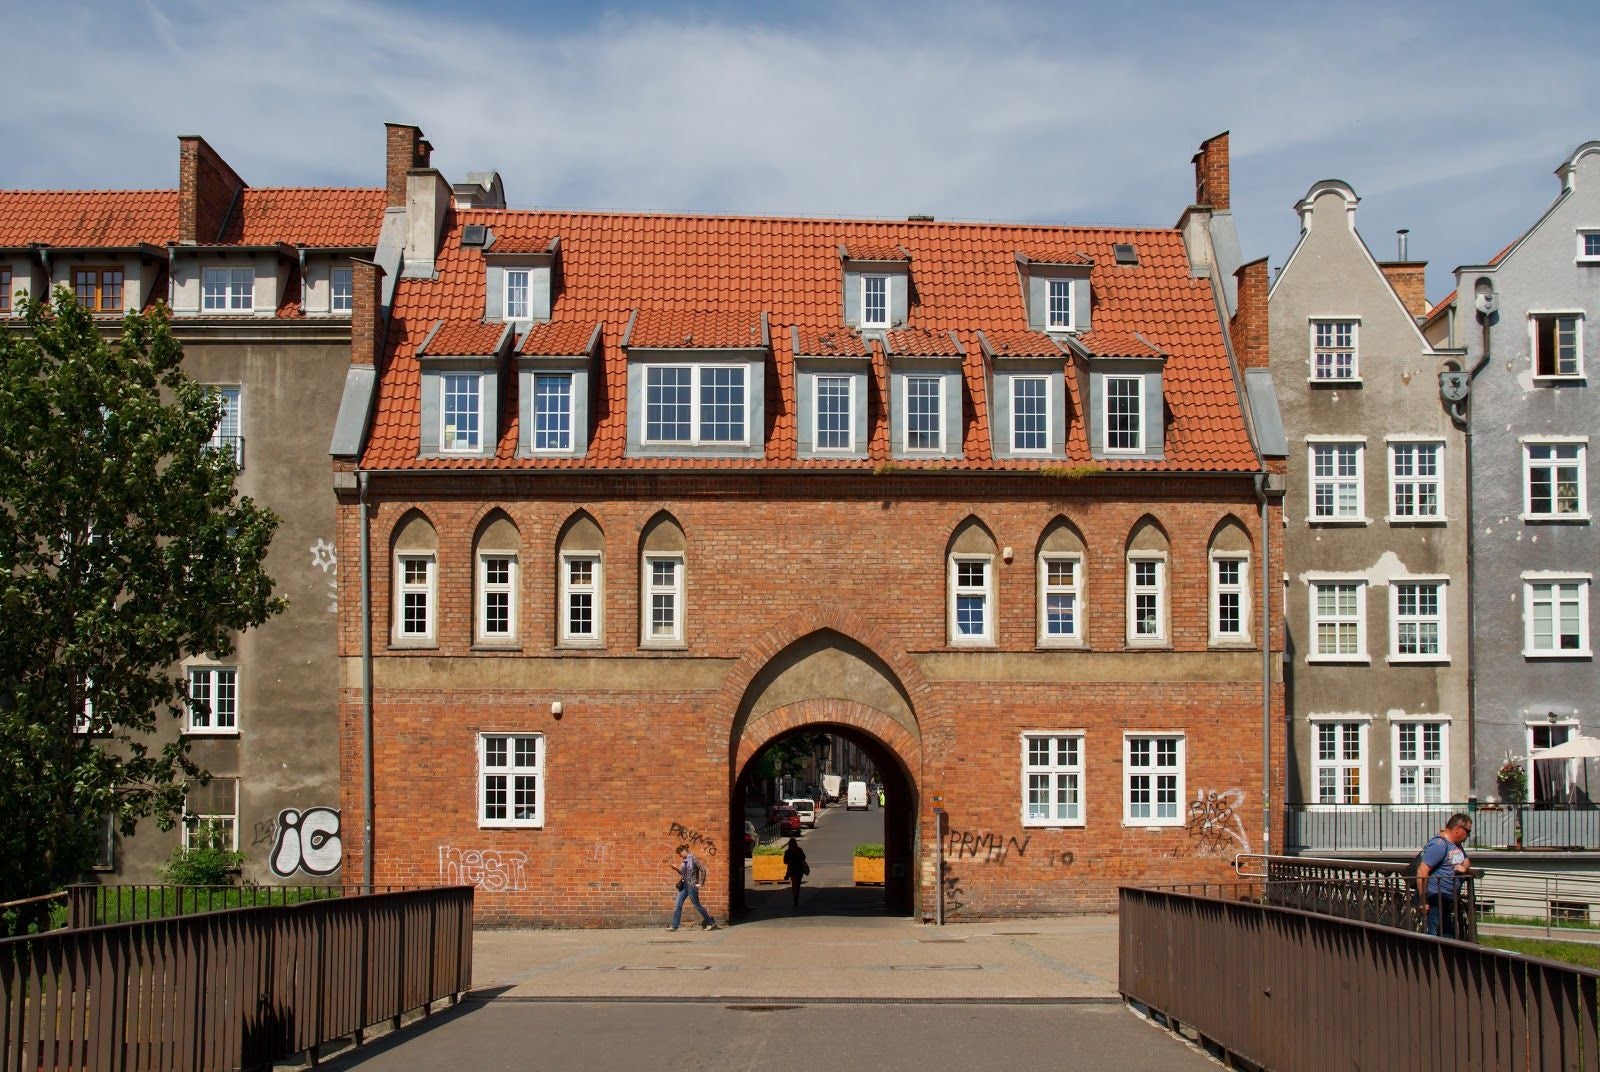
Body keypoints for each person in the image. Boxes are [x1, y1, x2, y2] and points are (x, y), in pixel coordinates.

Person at [1415, 813, 1473, 938]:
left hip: (1447, 897)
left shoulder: (1456, 844)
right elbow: (1422, 871)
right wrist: (1423, 900)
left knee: (1447, 933)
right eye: (1468, 831)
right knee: (1435, 934)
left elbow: (1467, 860)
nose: (1468, 836)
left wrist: (1463, 867)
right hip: (1435, 896)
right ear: (1457, 829)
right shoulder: (1439, 845)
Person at [667, 844, 716, 931]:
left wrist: (700, 883)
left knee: (697, 906)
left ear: (684, 851)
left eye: (680, 854)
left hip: (692, 887)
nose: (680, 856)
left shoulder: (693, 860)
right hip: (684, 887)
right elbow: (683, 873)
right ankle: (675, 926)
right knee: (678, 905)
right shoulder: (684, 861)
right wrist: (676, 869)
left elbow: (702, 869)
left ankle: (710, 923)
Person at [782, 836, 808, 908]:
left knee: (794, 885)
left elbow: (785, 862)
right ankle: (796, 898)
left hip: (792, 870)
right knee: (798, 885)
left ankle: (795, 898)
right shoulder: (799, 850)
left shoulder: (787, 852)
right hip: (799, 870)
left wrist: (790, 860)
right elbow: (803, 857)